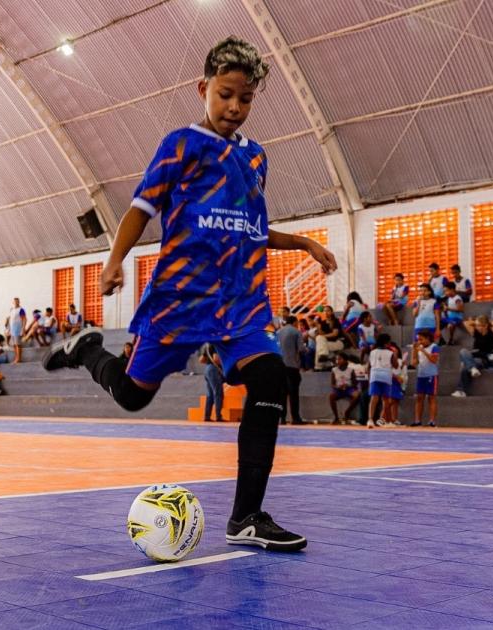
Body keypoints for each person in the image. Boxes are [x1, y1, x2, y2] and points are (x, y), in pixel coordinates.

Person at [42, 37, 335, 552]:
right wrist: (115, 260)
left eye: (245, 98)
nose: (234, 107)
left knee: (269, 378)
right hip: (182, 298)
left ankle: (246, 517)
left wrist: (303, 243)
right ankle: (87, 350)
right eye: (225, 95)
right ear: (203, 89)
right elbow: (140, 209)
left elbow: (249, 228)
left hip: (239, 300)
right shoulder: (180, 145)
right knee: (134, 395)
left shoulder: (256, 158)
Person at [453, 316, 493, 398]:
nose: (477, 327)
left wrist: (484, 321)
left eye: (479, 325)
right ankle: (472, 368)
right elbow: (465, 323)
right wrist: (476, 322)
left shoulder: (492, 332)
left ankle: (461, 391)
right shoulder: (475, 332)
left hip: (484, 358)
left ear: (485, 325)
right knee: (463, 351)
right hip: (473, 356)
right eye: (476, 325)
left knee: (465, 367)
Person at [276, 315, 304, 425]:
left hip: (280, 365)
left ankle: (282, 418)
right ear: (295, 322)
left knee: (282, 393)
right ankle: (295, 418)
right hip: (292, 365)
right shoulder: (296, 332)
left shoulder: (278, 332)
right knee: (293, 393)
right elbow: (301, 349)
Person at [366, 333, 396, 428]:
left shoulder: (372, 352)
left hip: (374, 375)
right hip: (385, 376)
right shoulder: (390, 353)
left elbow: (368, 366)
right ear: (387, 342)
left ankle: (370, 420)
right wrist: (395, 354)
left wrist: (369, 378)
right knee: (386, 399)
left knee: (374, 398)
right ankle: (388, 421)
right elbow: (395, 365)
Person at [410, 330, 440, 427]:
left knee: (431, 398)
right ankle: (417, 420)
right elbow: (414, 363)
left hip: (431, 375)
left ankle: (432, 421)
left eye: (421, 339)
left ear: (428, 338)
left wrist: (423, 351)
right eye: (418, 339)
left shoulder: (434, 347)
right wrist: (414, 351)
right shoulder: (418, 348)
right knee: (419, 398)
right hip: (421, 375)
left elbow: (434, 360)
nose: (419, 342)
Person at [328, 354, 360, 425]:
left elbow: (355, 383)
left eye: (340, 359)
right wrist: (338, 387)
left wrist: (348, 385)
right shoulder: (334, 370)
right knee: (331, 396)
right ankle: (336, 417)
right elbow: (332, 384)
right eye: (337, 359)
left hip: (349, 389)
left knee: (357, 395)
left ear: (345, 360)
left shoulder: (350, 370)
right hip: (338, 389)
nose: (337, 361)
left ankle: (347, 412)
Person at [201, 344, 224, 422]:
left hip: (207, 369)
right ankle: (218, 416)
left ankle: (207, 416)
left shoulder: (208, 346)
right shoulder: (216, 344)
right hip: (214, 369)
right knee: (218, 393)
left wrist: (209, 362)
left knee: (210, 395)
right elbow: (216, 359)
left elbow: (201, 360)